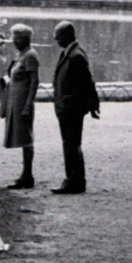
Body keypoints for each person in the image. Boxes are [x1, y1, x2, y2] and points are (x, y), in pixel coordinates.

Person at [51, 21, 100, 194]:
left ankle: (74, 181)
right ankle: (75, 180)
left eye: (58, 36)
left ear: (67, 35)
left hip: (72, 107)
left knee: (71, 144)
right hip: (67, 106)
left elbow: (87, 82)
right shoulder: (70, 52)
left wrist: (93, 104)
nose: (56, 39)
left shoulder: (76, 55)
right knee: (70, 143)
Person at [0, 24, 39, 189]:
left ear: (23, 39)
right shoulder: (22, 55)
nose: (13, 41)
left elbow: (34, 82)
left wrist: (28, 105)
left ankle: (27, 176)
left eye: (15, 37)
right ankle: (25, 174)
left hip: (23, 103)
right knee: (22, 137)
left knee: (26, 139)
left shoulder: (30, 55)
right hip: (16, 101)